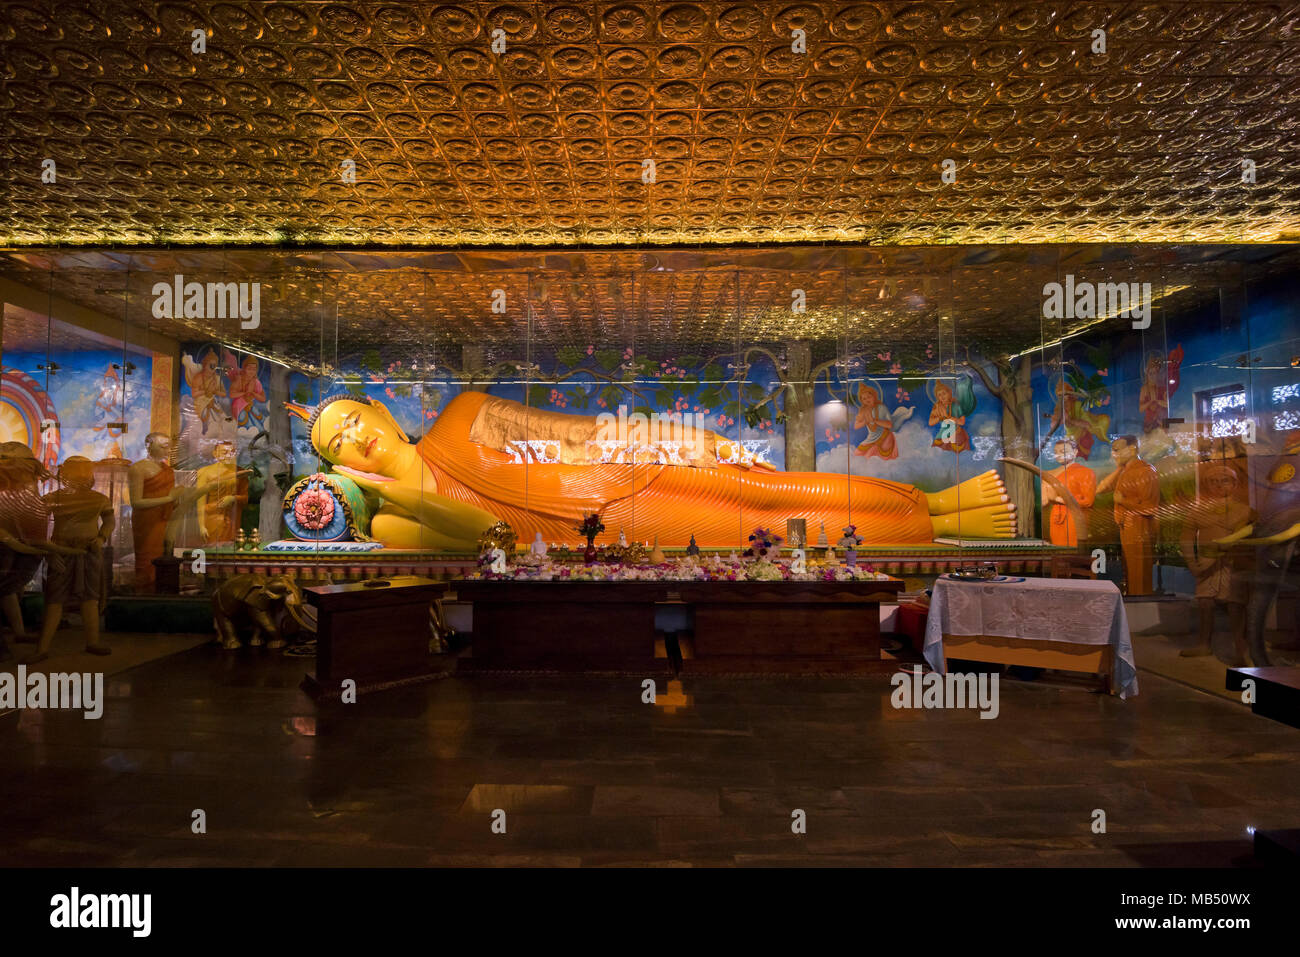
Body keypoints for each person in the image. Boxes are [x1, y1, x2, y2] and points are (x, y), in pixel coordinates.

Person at [287, 391, 1018, 549]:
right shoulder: (394, 521)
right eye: (337, 442)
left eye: (354, 418)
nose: (356, 437)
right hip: (608, 528)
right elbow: (496, 535)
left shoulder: (459, 416)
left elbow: (563, 429)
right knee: (756, 527)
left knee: (767, 485)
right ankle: (928, 524)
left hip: (624, 466)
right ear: (337, 465)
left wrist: (669, 436)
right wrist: (402, 497)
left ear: (381, 411)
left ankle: (937, 501)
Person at [29, 456, 115, 662]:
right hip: (61, 551)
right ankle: (42, 648)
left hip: (88, 551)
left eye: (84, 472)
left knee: (89, 598)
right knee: (55, 598)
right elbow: (33, 525)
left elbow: (109, 521)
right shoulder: (52, 498)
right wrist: (49, 551)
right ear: (65, 475)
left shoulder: (99, 499)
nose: (81, 477)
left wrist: (101, 537)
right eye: (77, 472)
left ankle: (91, 641)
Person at [1178, 464, 1254, 663]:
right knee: (1205, 603)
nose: (1219, 485)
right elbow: (1186, 538)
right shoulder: (1197, 511)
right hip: (1206, 565)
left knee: (1236, 604)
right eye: (1214, 481)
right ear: (1207, 485)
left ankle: (1240, 646)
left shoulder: (1246, 512)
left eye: (1225, 480)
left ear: (1235, 484)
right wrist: (1193, 563)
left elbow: (1252, 541)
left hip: (1233, 565)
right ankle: (1204, 644)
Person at [1096, 435, 1160, 596]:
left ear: (1132, 449)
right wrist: (1119, 468)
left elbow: (1150, 507)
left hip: (1140, 527)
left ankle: (1141, 603)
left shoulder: (1145, 471)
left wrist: (1124, 501)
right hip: (1127, 527)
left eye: (1117, 450)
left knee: (1139, 568)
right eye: (1113, 451)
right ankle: (1133, 599)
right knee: (1130, 568)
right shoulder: (1125, 471)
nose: (1113, 454)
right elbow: (1100, 489)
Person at [1041, 439, 1097, 547]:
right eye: (1056, 452)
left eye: (1063, 451)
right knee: (1058, 550)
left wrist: (1057, 499)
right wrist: (1048, 498)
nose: (1059, 455)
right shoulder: (1049, 474)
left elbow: (1088, 501)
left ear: (1075, 452)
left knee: (1074, 550)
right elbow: (1044, 501)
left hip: (1075, 518)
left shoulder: (1085, 472)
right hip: (1056, 518)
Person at [195, 441, 249, 544]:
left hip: (232, 518)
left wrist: (233, 498)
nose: (229, 455)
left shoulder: (240, 472)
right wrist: (201, 526)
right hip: (212, 518)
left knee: (229, 549)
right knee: (212, 548)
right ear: (215, 454)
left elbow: (245, 498)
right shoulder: (205, 472)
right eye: (224, 452)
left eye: (232, 452)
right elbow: (200, 502)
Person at [853, 382, 901, 459]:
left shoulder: (881, 408)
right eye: (864, 399)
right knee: (856, 454)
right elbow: (856, 426)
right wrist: (866, 421)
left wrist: (875, 420)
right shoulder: (863, 411)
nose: (867, 400)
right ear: (861, 401)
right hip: (870, 439)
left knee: (870, 454)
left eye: (869, 397)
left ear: (874, 396)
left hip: (884, 437)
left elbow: (889, 425)